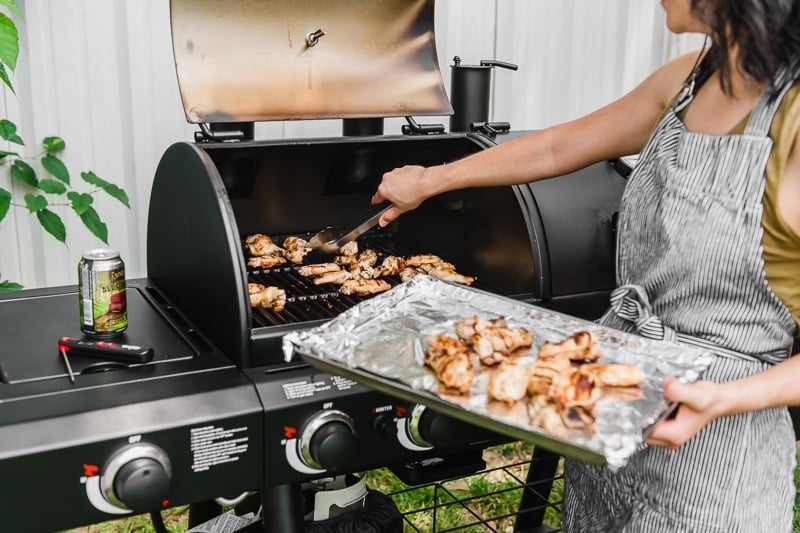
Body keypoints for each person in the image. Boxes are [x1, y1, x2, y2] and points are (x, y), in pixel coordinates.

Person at [371, 0, 800, 531]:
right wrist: (430, 180)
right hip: (611, 403)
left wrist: (725, 397)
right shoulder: (690, 79)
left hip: (716, 447)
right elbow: (558, 147)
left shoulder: (794, 119)